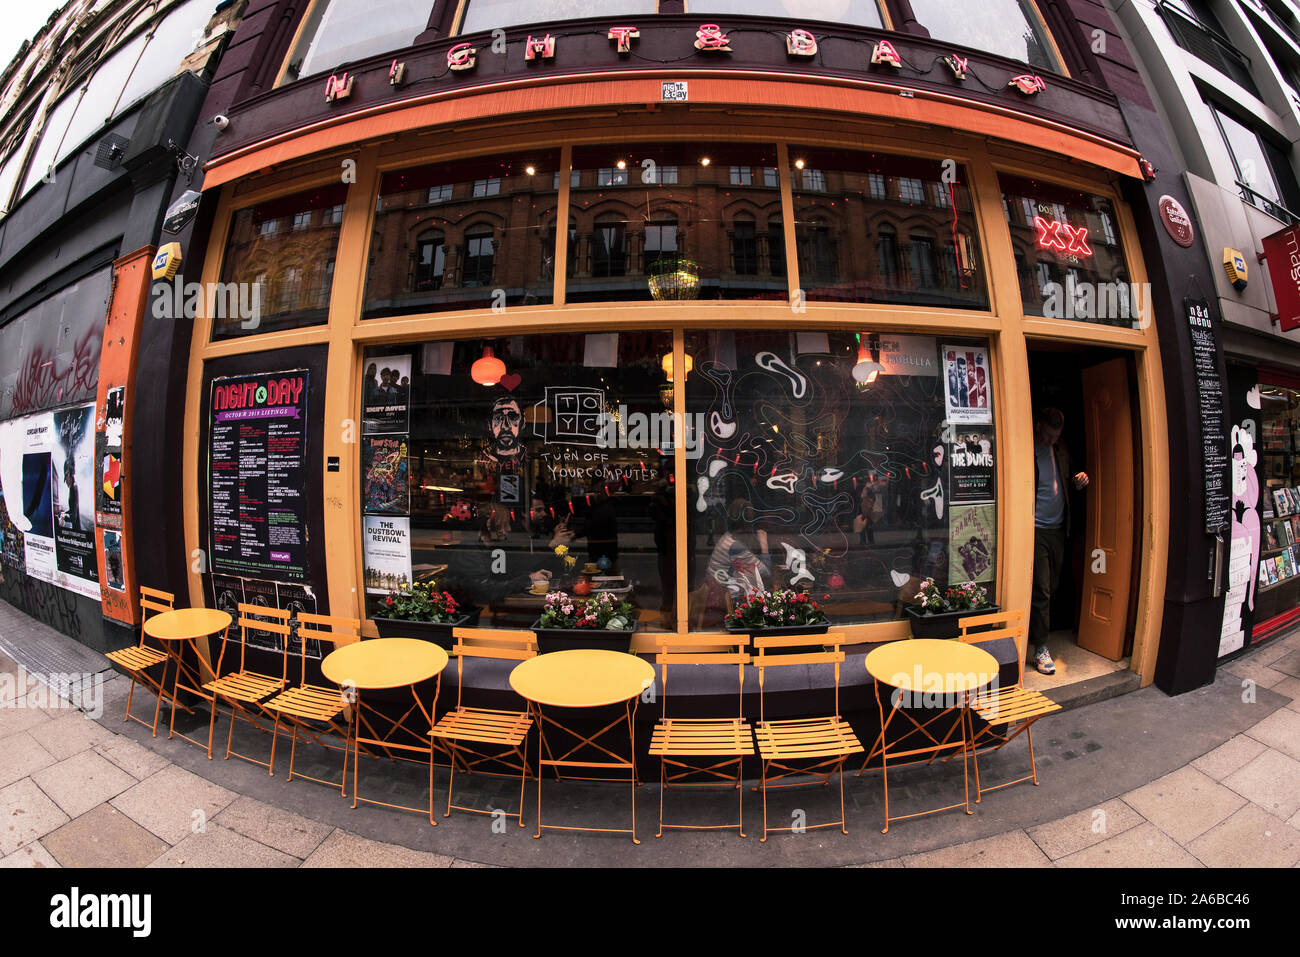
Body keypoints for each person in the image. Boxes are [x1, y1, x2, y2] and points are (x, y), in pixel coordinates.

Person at [1031, 406, 1088, 675]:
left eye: (1056, 437)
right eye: (1049, 436)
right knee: (1042, 589)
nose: (1051, 441)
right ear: (1038, 425)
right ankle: (1041, 648)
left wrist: (1079, 482)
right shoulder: (1028, 448)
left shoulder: (1060, 449)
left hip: (1058, 529)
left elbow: (1067, 482)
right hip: (1035, 529)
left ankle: (1035, 634)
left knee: (1051, 587)